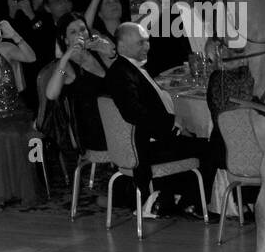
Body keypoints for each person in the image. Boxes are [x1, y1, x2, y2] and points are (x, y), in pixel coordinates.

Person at [103, 20, 216, 216]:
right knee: (211, 148)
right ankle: (194, 203)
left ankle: (179, 197)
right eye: (140, 43)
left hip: (151, 140)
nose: (147, 46)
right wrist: (173, 125)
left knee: (199, 140)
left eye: (147, 41)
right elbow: (134, 113)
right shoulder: (121, 74)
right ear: (122, 46)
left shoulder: (130, 69)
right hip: (145, 148)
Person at [41, 15, 115, 151]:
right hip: (93, 130)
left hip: (114, 117)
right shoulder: (65, 68)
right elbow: (51, 94)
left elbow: (121, 79)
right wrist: (65, 58)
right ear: (65, 40)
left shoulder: (98, 53)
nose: (80, 34)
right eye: (73, 32)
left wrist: (111, 54)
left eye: (83, 29)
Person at [0, 18, 39, 209]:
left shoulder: (6, 48)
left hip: (13, 113)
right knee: (1, 135)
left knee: (9, 134)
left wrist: (14, 35)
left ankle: (12, 192)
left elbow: (31, 57)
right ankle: (0, 194)